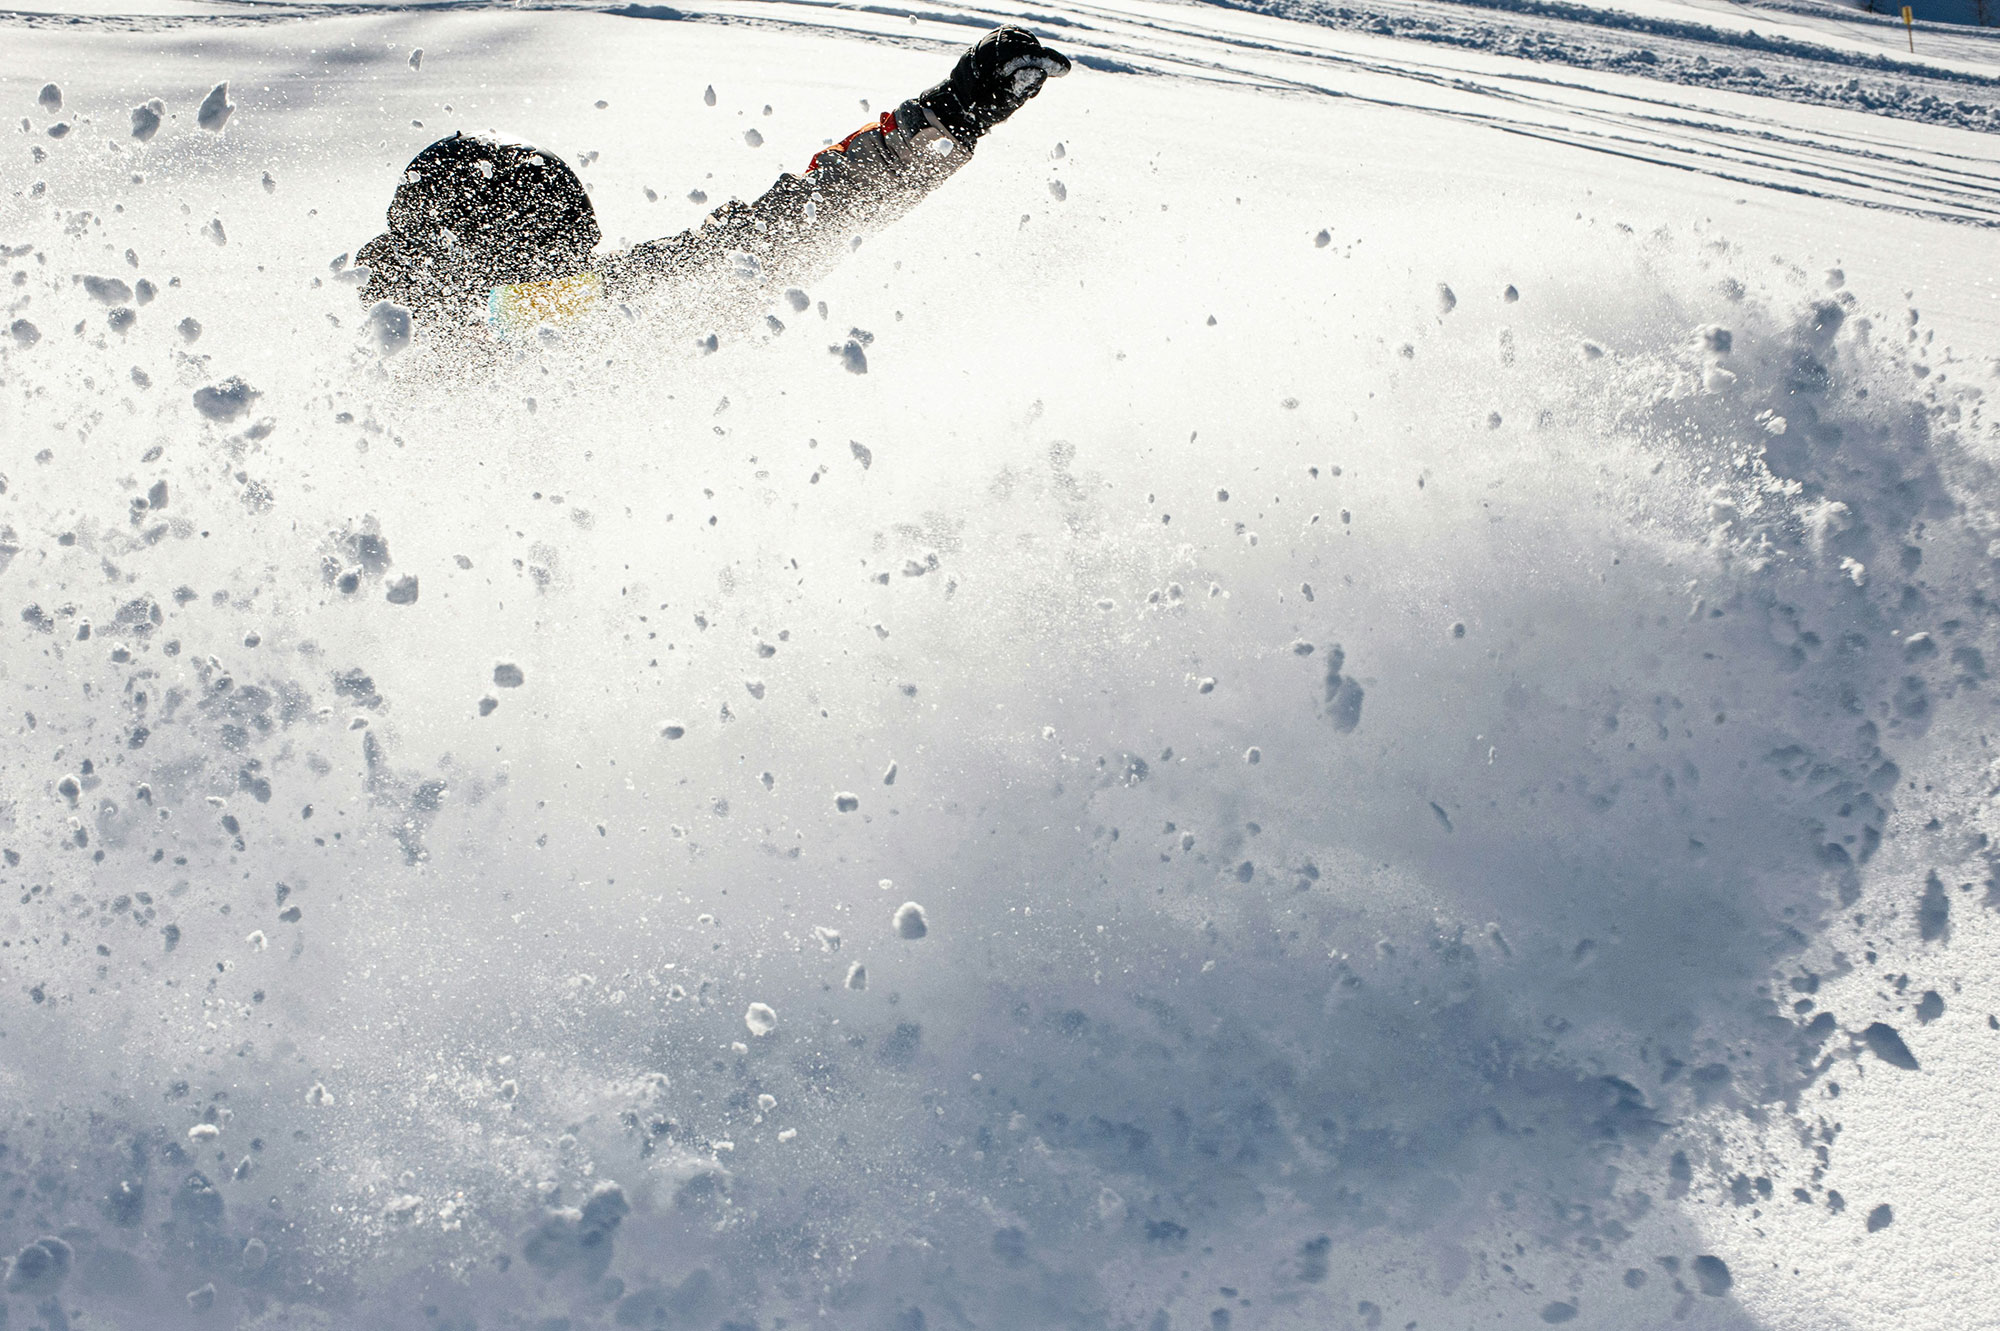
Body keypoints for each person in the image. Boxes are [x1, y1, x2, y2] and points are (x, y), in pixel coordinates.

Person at [356, 25, 1071, 340]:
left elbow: (775, 234)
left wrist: (947, 122)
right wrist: (948, 120)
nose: (577, 267)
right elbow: (787, 230)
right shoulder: (532, 322)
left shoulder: (563, 311)